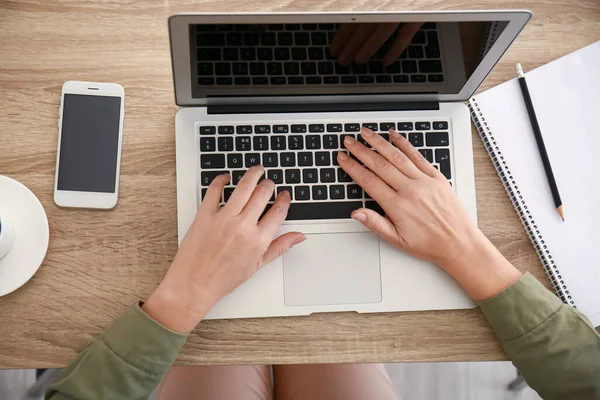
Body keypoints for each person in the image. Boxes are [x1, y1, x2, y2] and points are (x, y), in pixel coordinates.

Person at [45, 128, 600, 400]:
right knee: (317, 361)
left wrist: (186, 295)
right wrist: (463, 246)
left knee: (216, 360)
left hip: (185, 311)